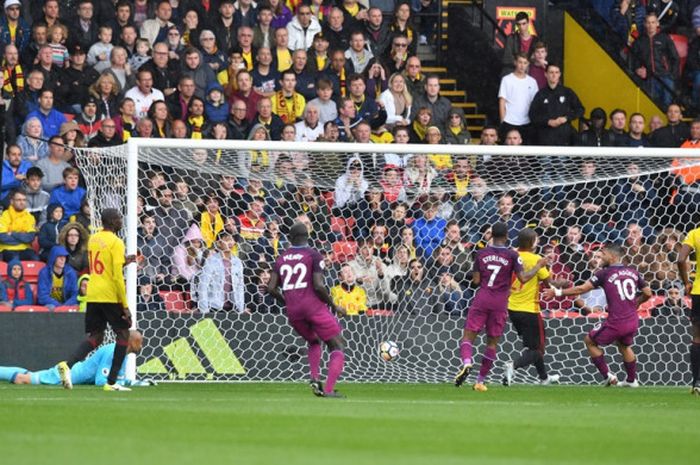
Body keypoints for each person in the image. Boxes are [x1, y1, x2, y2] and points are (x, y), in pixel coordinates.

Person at [455, 222, 547, 392]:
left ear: (491, 236)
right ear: (506, 236)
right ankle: (480, 381)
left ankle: (467, 363)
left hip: (482, 298)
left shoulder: (481, 253)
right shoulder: (512, 255)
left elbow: (475, 281)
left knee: (468, 336)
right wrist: (538, 266)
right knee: (492, 342)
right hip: (500, 302)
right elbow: (524, 278)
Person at [545, 243, 652, 388]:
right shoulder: (633, 272)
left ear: (613, 256)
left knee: (589, 340)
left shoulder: (605, 273)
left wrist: (558, 292)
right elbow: (647, 293)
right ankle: (632, 380)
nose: (601, 258)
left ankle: (607, 376)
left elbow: (582, 288)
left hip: (616, 321)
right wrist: (636, 304)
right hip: (632, 320)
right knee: (624, 346)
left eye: (604, 255)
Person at [57, 209, 134, 392]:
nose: (121, 221)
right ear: (112, 221)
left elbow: (103, 264)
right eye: (119, 218)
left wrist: (125, 261)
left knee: (96, 337)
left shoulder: (94, 239)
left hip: (93, 292)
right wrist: (125, 305)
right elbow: (116, 277)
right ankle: (112, 382)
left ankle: (68, 365)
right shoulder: (116, 242)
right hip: (109, 294)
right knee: (123, 335)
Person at [268, 222, 347, 398]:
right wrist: (334, 306)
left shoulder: (280, 259)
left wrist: (287, 301)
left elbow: (271, 288)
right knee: (337, 344)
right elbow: (318, 286)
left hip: (293, 312)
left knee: (313, 341)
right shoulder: (314, 255)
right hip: (313, 307)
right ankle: (328, 390)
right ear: (307, 237)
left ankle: (314, 376)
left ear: (290, 238)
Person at [503, 228, 560, 386]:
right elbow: (550, 283)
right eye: (536, 239)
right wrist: (565, 284)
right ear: (530, 242)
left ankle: (544, 378)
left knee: (533, 346)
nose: (538, 241)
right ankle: (513, 366)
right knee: (537, 349)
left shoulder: (511, 256)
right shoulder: (536, 259)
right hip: (530, 309)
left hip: (512, 308)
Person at [0, 331, 144, 387]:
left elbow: (116, 379)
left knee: (28, 374)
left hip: (73, 373)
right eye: (140, 341)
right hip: (67, 376)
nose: (142, 345)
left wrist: (137, 383)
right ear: (132, 342)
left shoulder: (121, 354)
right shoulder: (113, 352)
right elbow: (101, 381)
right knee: (22, 379)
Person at [197, 230, 245, 313]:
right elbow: (203, 286)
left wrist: (241, 309)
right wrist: (204, 310)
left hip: (233, 308)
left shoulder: (238, 262)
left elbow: (240, 287)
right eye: (227, 240)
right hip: (214, 307)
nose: (230, 242)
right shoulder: (211, 261)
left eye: (232, 240)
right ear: (219, 243)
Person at [676, 226, 700, 395]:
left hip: (698, 291)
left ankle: (697, 382)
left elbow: (680, 259)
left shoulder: (694, 233)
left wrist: (686, 282)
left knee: (697, 337)